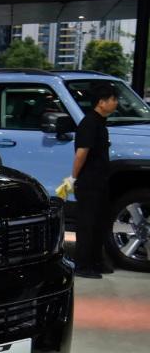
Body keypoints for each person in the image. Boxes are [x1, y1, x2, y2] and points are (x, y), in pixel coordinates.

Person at [72, 82, 117, 279]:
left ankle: (96, 261)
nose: (116, 103)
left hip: (100, 181)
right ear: (101, 102)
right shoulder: (89, 123)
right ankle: (82, 265)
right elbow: (81, 153)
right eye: (113, 99)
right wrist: (73, 177)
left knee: (100, 222)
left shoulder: (100, 123)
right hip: (89, 182)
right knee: (87, 224)